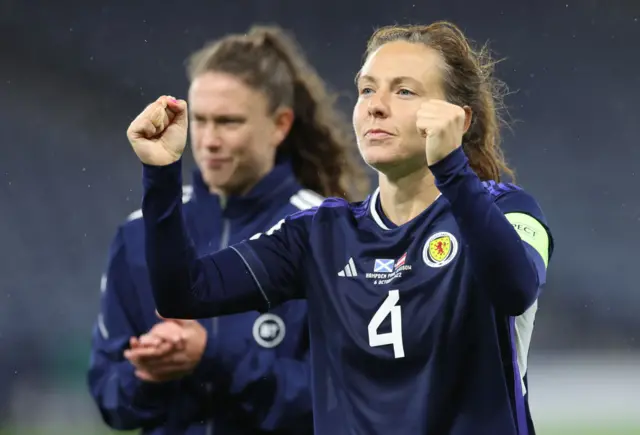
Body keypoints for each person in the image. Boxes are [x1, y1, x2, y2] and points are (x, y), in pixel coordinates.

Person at [128, 21, 554, 435]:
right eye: (367, 89)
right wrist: (161, 174)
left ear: (458, 119)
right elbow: (184, 291)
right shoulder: (321, 234)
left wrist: (451, 169)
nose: (376, 104)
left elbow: (514, 289)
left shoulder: (508, 210)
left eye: (404, 91)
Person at [88, 25, 367, 435]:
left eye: (229, 122)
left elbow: (346, 400)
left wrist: (213, 357)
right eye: (199, 120)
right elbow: (110, 398)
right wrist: (148, 376)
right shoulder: (139, 236)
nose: (209, 140)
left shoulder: (330, 234)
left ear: (280, 125)